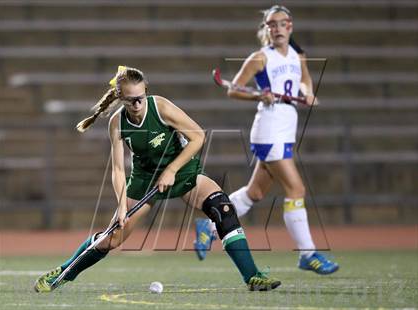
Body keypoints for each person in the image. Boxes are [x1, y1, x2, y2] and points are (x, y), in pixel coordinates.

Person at [33, 66, 281, 293]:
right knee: (113, 238)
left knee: (223, 208)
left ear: (146, 92)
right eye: (130, 100)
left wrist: (172, 169)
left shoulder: (161, 107)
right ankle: (64, 272)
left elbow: (198, 137)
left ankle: (252, 277)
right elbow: (118, 170)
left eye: (140, 97)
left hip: (182, 170)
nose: (137, 104)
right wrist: (121, 206)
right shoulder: (117, 123)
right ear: (120, 97)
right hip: (144, 180)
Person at [194, 5, 338, 275]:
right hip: (269, 129)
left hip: (286, 127)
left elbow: (305, 82)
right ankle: (308, 253)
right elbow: (234, 90)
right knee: (296, 189)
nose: (277, 28)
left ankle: (210, 227)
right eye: (271, 25)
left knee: (255, 193)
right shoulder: (260, 58)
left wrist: (307, 93)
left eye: (281, 23)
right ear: (267, 29)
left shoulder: (299, 56)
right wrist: (259, 95)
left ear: (290, 26)